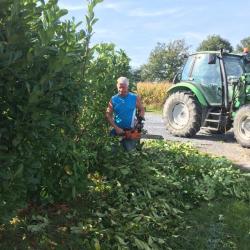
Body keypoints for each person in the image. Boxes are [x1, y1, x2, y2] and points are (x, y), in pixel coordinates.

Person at [106, 76, 145, 151]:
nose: (121, 89)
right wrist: (116, 128)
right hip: (116, 131)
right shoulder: (113, 99)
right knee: (113, 153)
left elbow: (142, 109)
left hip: (130, 130)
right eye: (119, 87)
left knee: (130, 153)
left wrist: (139, 121)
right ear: (117, 86)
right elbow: (108, 114)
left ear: (127, 86)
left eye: (123, 87)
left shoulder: (134, 97)